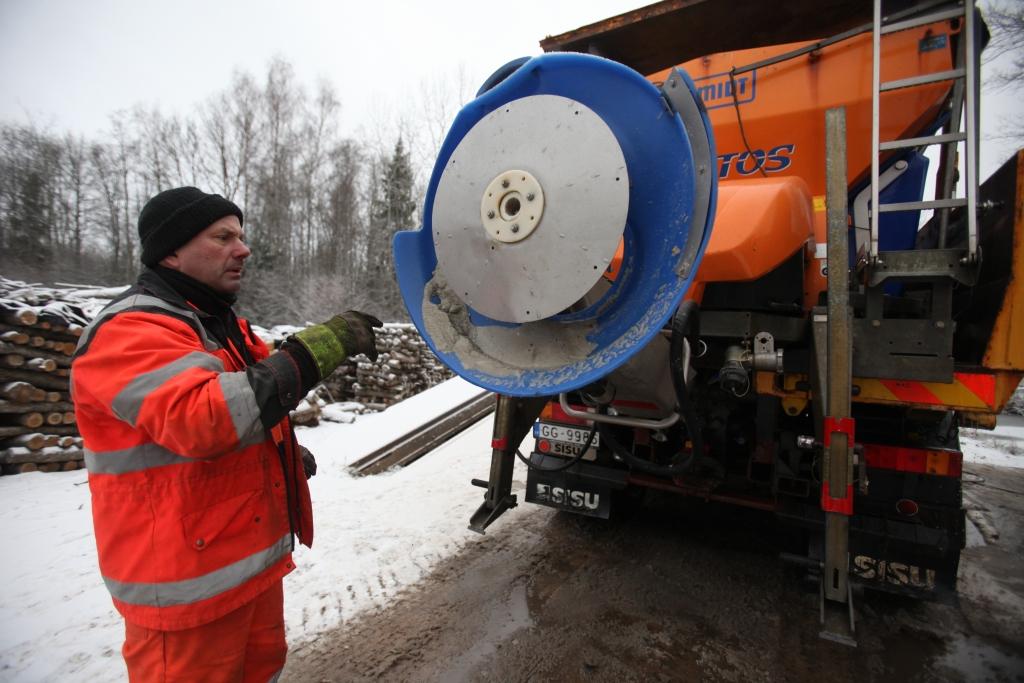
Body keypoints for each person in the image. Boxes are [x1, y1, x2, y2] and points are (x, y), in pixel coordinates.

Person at [71, 186, 382, 682]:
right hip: (185, 596)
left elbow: (259, 402)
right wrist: (322, 345)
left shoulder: (218, 325)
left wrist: (275, 454)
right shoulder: (130, 329)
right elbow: (205, 419)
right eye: (223, 237)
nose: (244, 249)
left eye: (241, 235)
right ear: (171, 251)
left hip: (248, 571)